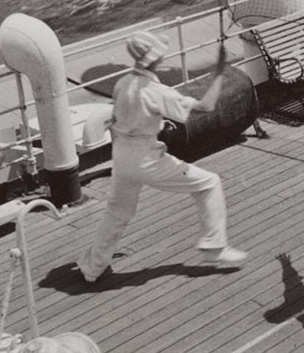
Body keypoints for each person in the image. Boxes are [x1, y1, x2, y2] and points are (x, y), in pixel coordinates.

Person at [77, 32, 247, 282]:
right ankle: (214, 248)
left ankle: (93, 268)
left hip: (121, 155)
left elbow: (117, 117)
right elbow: (206, 106)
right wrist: (220, 72)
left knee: (118, 212)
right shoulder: (156, 91)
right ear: (154, 58)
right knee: (209, 184)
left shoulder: (122, 83)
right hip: (145, 158)